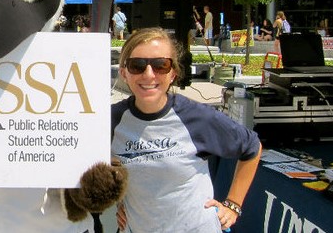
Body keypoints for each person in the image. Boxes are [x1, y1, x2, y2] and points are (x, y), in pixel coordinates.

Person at [112, 27, 262, 233]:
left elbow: (251, 146)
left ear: (173, 73)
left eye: (160, 65)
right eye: (137, 65)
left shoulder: (196, 117)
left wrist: (233, 205)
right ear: (124, 73)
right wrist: (117, 202)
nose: (149, 74)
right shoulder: (111, 121)